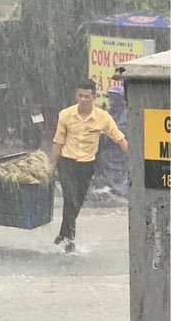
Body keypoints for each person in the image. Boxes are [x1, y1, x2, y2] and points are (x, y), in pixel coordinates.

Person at [50, 80, 128, 253]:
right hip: (67, 163)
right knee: (70, 198)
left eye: (87, 96)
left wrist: (135, 160)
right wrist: (51, 167)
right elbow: (57, 143)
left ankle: (62, 234)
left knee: (76, 203)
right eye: (80, 96)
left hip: (86, 166)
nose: (83, 99)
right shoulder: (65, 115)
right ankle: (70, 239)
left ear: (94, 97)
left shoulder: (103, 117)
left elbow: (119, 138)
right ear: (76, 96)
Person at [95, 71, 128, 198]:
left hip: (119, 148)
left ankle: (116, 186)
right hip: (109, 144)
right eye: (110, 98)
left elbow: (123, 129)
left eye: (114, 98)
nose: (112, 101)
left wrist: (107, 134)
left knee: (105, 158)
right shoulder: (111, 111)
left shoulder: (125, 111)